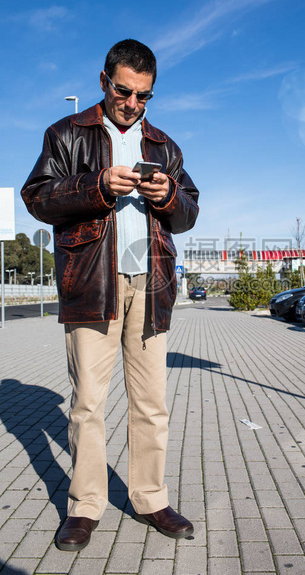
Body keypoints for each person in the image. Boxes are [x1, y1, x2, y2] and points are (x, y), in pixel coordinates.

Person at [21, 39, 199, 551]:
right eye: (124, 91)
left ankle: (149, 497)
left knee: (151, 404)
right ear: (103, 81)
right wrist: (98, 184)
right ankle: (85, 505)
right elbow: (38, 197)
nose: (133, 104)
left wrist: (168, 195)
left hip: (152, 286)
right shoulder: (66, 133)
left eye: (144, 96)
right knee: (88, 404)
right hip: (91, 284)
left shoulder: (164, 145)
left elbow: (190, 210)